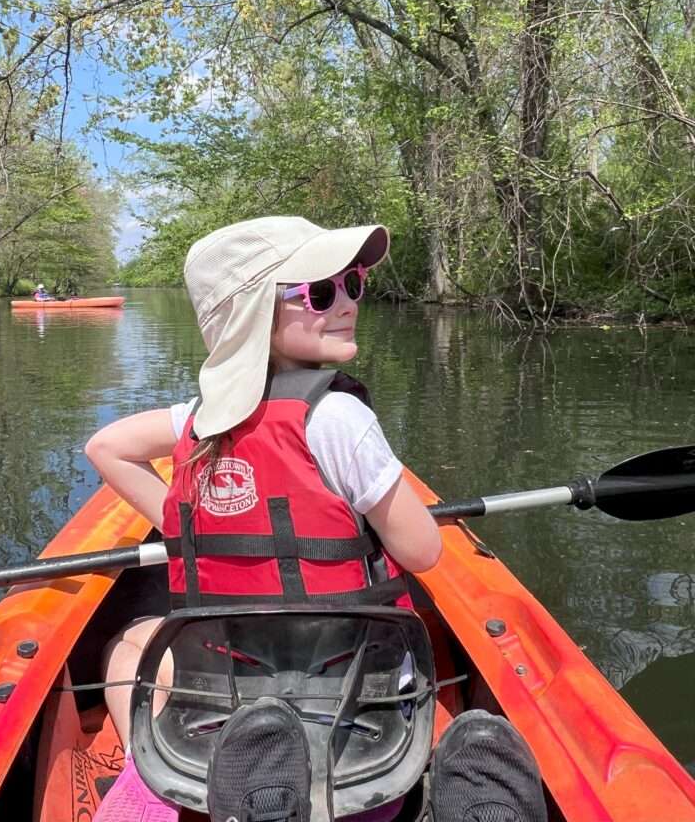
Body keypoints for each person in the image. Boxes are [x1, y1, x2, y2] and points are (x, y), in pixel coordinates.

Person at [86, 217, 546, 822]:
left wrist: (185, 531)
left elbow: (106, 447)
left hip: (228, 694)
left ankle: (159, 789)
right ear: (252, 316)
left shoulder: (193, 422)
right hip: (355, 710)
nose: (349, 302)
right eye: (320, 293)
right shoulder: (339, 420)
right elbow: (424, 551)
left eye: (353, 283)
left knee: (128, 646)